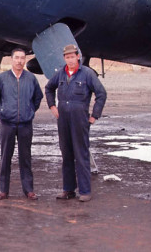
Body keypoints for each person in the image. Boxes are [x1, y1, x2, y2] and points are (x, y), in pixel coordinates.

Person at [45, 44, 107, 202]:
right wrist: (52, 105)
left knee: (81, 154)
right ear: (64, 58)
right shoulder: (60, 74)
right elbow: (48, 88)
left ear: (78, 56)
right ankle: (68, 189)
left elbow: (101, 93)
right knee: (66, 154)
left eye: (73, 56)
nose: (70, 59)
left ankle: (85, 191)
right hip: (63, 119)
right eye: (67, 57)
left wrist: (94, 116)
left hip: (80, 120)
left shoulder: (87, 74)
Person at [0, 48, 43, 200]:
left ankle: (29, 190)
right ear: (11, 59)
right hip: (7, 124)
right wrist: (2, 110)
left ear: (25, 60)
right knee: (5, 157)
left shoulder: (31, 78)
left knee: (25, 157)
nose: (19, 61)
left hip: (25, 124)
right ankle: (3, 190)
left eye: (22, 58)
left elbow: (38, 97)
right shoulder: (2, 78)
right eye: (17, 58)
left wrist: (30, 110)